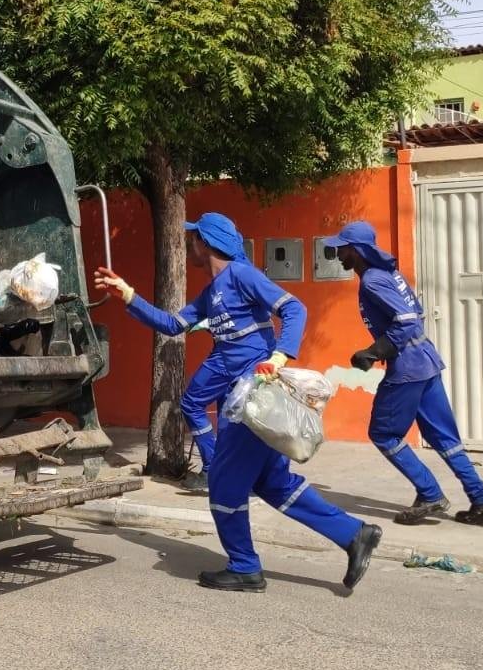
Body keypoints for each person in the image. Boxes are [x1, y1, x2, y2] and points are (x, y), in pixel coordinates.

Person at [94, 212, 382, 593]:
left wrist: (280, 355)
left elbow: (294, 308)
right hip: (242, 403)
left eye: (193, 238)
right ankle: (353, 533)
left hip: (253, 402)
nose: (189, 243)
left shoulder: (242, 276)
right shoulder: (211, 292)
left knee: (226, 487)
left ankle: (245, 566)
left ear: (206, 244)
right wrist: (127, 294)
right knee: (274, 484)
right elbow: (172, 325)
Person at [324, 220, 483, 526]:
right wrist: (381, 348)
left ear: (356, 250)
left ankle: (430, 493)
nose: (337, 254)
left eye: (342, 248)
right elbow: (415, 311)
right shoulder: (388, 274)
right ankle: (482, 498)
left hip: (407, 367)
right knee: (445, 437)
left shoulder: (372, 281)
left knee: (383, 433)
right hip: (425, 360)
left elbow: (406, 320)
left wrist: (375, 351)